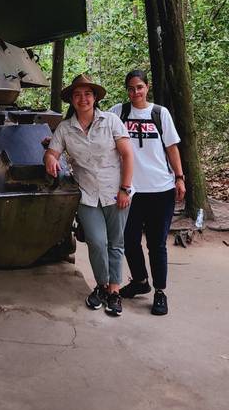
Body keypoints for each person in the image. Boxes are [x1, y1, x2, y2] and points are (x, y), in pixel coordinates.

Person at [44, 74, 133, 317]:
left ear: (95, 97)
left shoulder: (111, 121)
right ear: (71, 100)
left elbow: (127, 155)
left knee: (116, 243)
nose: (83, 99)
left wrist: (125, 189)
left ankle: (114, 291)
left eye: (87, 94)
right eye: (77, 95)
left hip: (116, 192)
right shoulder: (65, 128)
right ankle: (101, 285)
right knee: (96, 241)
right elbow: (52, 152)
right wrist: (51, 160)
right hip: (86, 195)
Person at [110, 69, 186, 316]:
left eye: (139, 87)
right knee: (129, 240)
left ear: (147, 87)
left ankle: (160, 292)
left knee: (156, 244)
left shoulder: (159, 113)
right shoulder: (118, 112)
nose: (135, 92)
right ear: (127, 90)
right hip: (130, 190)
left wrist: (179, 178)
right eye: (131, 88)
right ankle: (140, 280)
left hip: (160, 189)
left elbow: (172, 148)